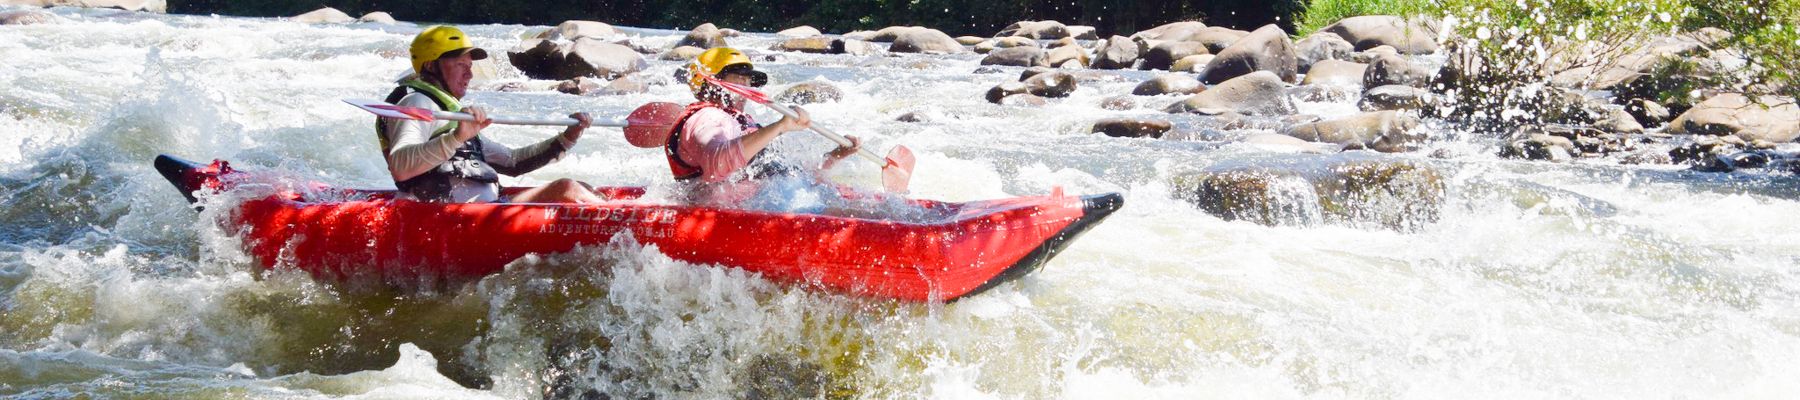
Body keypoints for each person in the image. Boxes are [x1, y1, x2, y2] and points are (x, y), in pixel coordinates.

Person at [376, 25, 603, 203]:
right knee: (567, 189)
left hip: (486, 209)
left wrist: (568, 138)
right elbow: (401, 167)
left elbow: (513, 162)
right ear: (430, 66)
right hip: (447, 219)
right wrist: (456, 138)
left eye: (470, 65)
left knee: (583, 187)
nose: (469, 75)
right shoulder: (417, 102)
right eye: (460, 65)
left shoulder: (449, 114)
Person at [634, 48, 860, 205]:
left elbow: (788, 174)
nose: (746, 86)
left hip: (771, 203)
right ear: (711, 83)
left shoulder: (740, 122)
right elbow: (717, 164)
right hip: (728, 216)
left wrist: (835, 156)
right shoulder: (707, 118)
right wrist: (779, 127)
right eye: (738, 78)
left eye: (747, 79)